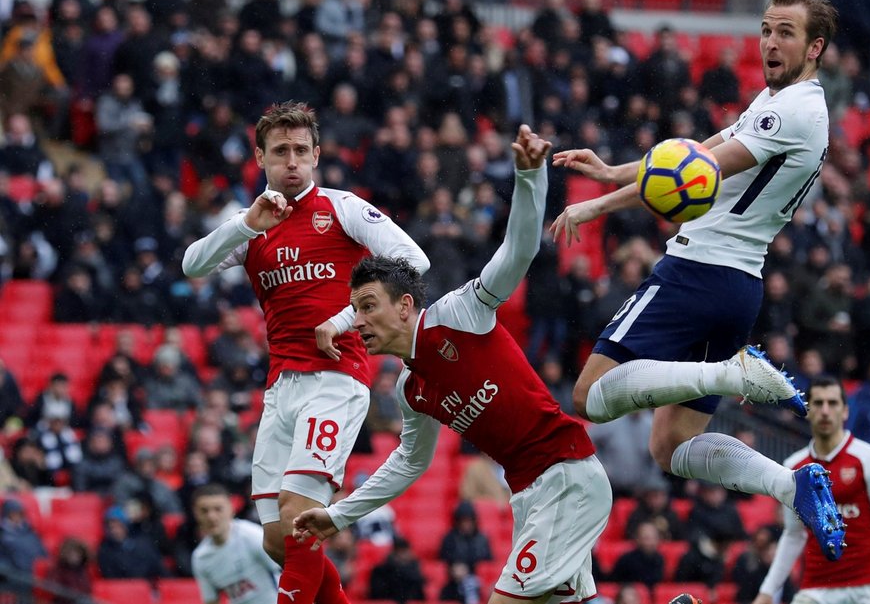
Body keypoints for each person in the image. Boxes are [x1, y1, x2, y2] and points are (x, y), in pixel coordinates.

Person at [549, 0, 846, 560]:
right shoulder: (779, 101)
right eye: (765, 29)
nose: (769, 42)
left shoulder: (795, 109)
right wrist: (611, 175)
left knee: (587, 397)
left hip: (695, 271)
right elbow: (695, 152)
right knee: (671, 445)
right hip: (739, 286)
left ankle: (732, 376)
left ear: (816, 48)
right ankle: (792, 484)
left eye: (785, 32)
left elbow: (694, 170)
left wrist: (598, 202)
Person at [293, 127, 620, 604]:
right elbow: (409, 462)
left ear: (404, 305)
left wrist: (529, 177)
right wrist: (341, 515)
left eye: (367, 307)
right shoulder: (412, 390)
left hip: (565, 478)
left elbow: (518, 252)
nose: (357, 322)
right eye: (354, 310)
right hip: (530, 496)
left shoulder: (459, 314)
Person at [182, 101, 430, 604]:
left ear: (316, 155)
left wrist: (347, 317)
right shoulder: (254, 226)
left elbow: (413, 260)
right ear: (261, 158)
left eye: (300, 150)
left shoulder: (341, 207)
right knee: (279, 540)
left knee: (299, 514)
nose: (291, 161)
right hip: (281, 388)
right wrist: (247, 223)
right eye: (280, 151)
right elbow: (192, 265)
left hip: (337, 380)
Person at [753, 376, 870, 604]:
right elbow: (794, 534)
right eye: (818, 403)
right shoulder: (794, 468)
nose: (825, 411)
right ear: (808, 410)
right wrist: (767, 592)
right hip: (815, 590)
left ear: (845, 411)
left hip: (869, 588)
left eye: (832, 403)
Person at [190, 483, 281, 604]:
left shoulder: (251, 535)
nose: (211, 517)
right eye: (204, 511)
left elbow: (284, 571)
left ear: (231, 508)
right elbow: (211, 600)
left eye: (218, 509)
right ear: (195, 514)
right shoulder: (200, 558)